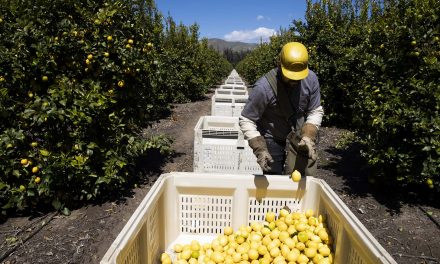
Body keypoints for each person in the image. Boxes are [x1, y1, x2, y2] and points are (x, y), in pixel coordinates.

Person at [239, 42, 324, 176]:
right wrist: (259, 148)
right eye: (290, 77)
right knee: (274, 180)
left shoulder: (311, 79)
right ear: (279, 65)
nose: (294, 81)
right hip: (272, 137)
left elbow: (315, 110)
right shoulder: (263, 88)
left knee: (300, 178)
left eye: (298, 77)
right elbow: (247, 119)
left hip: (299, 135)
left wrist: (308, 135)